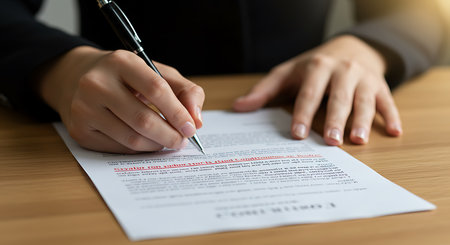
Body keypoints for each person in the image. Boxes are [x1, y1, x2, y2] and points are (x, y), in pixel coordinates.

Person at [0, 0, 445, 153]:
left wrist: (368, 47)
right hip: (104, 105)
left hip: (295, 102)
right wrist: (59, 67)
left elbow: (423, 10)